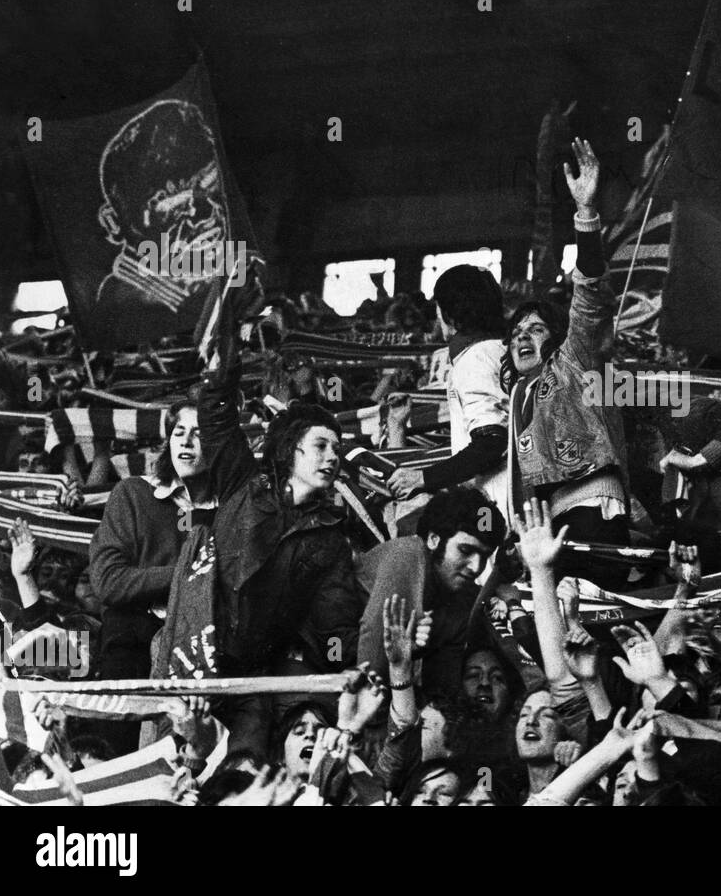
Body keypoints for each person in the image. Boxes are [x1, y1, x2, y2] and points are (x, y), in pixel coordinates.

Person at [197, 309, 364, 753]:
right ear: (291, 449)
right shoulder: (242, 481)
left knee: (245, 768)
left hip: (253, 674)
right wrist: (225, 354)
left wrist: (354, 663)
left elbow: (334, 624)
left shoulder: (331, 540)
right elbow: (216, 416)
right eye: (322, 446)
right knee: (175, 768)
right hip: (190, 654)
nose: (333, 458)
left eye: (338, 449)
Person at [502, 139, 631, 589]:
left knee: (590, 622)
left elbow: (590, 294)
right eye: (516, 332)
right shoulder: (519, 394)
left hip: (589, 507)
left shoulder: (572, 360)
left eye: (535, 329)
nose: (522, 336)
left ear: (556, 337)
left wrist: (586, 213)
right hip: (548, 522)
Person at [89, 400, 215, 754]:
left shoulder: (229, 507)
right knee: (116, 757)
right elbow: (108, 582)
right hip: (132, 639)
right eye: (179, 433)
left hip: (200, 644)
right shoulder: (133, 493)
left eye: (199, 434)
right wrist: (186, 573)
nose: (187, 442)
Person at [386, 265, 510, 523]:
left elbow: (491, 441)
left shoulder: (474, 359)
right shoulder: (501, 350)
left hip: (495, 501)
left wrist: (423, 478)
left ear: (451, 314)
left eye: (438, 308)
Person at [355, 486, 507, 696]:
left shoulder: (462, 598)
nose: (475, 567)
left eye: (485, 555)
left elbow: (443, 689)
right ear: (434, 539)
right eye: (465, 550)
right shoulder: (407, 555)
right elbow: (368, 676)